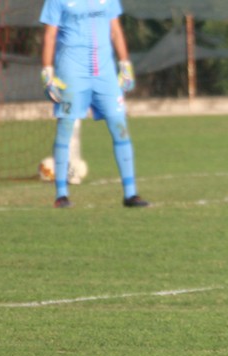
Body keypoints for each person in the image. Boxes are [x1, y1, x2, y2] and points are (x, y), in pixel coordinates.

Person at [40, 0, 148, 208]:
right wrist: (47, 71)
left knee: (120, 127)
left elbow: (115, 30)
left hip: (105, 75)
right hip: (71, 73)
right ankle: (61, 195)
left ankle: (131, 194)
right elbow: (50, 35)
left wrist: (125, 65)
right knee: (65, 128)